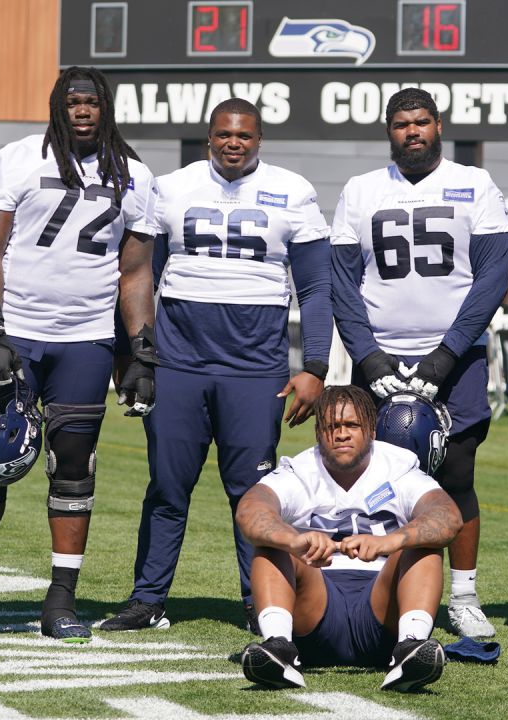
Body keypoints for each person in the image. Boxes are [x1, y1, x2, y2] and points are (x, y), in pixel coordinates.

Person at [0, 65, 159, 643]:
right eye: (73, 101)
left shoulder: (137, 175)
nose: (83, 111)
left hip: (86, 338)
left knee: (74, 468)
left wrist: (142, 352)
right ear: (58, 105)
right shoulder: (19, 157)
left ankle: (61, 600)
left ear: (107, 109)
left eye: (93, 102)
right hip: (19, 333)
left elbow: (135, 271)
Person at [97, 99, 332, 632]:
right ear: (209, 139)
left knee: (253, 494)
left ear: (259, 139)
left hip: (255, 367)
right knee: (167, 486)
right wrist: (133, 353)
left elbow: (317, 287)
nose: (233, 143)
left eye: (244, 136)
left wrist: (314, 364)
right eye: (224, 135)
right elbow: (138, 277)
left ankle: (262, 602)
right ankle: (148, 598)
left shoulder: (293, 191)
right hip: (179, 363)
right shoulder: (172, 186)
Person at [329, 88, 508, 638]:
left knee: (456, 474)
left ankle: (463, 595)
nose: (413, 132)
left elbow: (492, 277)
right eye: (402, 124)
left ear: (440, 125)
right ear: (389, 130)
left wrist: (447, 352)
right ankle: (371, 588)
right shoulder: (361, 190)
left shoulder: (475, 184)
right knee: (366, 476)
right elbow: (342, 282)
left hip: (453, 356)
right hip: (378, 352)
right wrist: (367, 355)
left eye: (422, 123)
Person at [235, 386, 461, 692]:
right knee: (272, 542)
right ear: (318, 433)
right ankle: (279, 648)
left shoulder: (398, 467)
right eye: (331, 427)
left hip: (381, 610)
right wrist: (295, 541)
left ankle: (411, 648)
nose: (341, 434)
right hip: (316, 610)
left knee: (424, 544)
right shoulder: (300, 470)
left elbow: (448, 517)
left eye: (351, 425)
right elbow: (250, 511)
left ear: (370, 429)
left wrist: (390, 542)